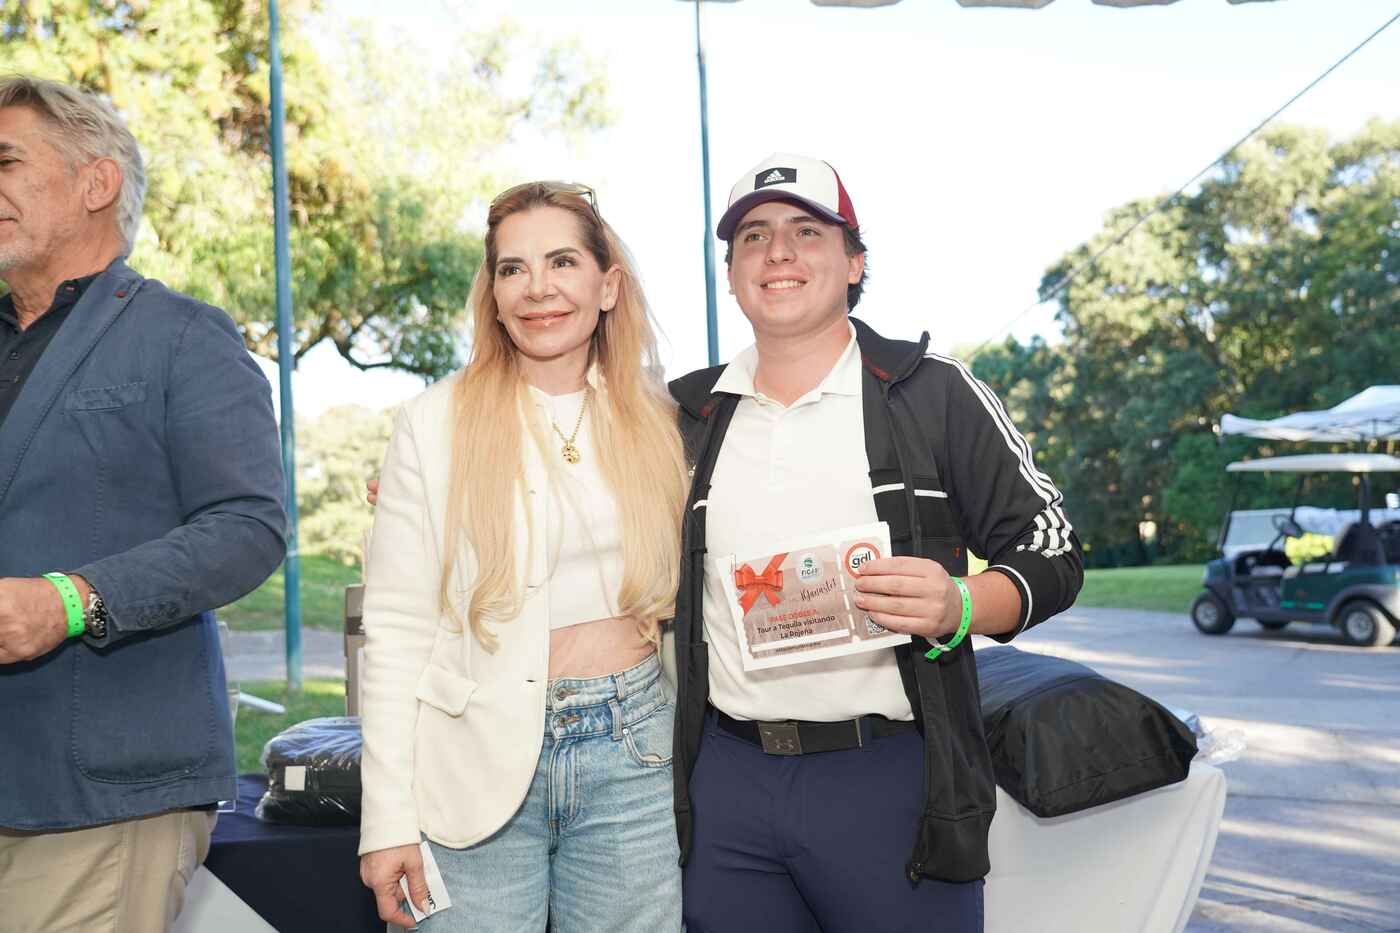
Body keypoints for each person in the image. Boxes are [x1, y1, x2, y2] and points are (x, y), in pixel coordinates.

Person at [668, 153, 1085, 933]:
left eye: (806, 231)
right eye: (753, 236)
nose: (778, 251)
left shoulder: (932, 391)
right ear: (731, 274)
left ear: (855, 262)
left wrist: (961, 602)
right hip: (726, 782)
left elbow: (1053, 548)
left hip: (889, 776)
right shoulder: (687, 417)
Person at [357, 181, 689, 931]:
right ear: (495, 294)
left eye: (562, 261)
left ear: (608, 286)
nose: (538, 288)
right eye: (513, 268)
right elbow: (398, 631)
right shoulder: (432, 422)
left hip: (636, 749)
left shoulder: (663, 418)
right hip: (469, 757)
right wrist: (387, 821)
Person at [0, 76, 286, 932]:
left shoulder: (184, 336)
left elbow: (248, 527)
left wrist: (71, 602)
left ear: (97, 182)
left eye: (6, 162)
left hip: (101, 798)